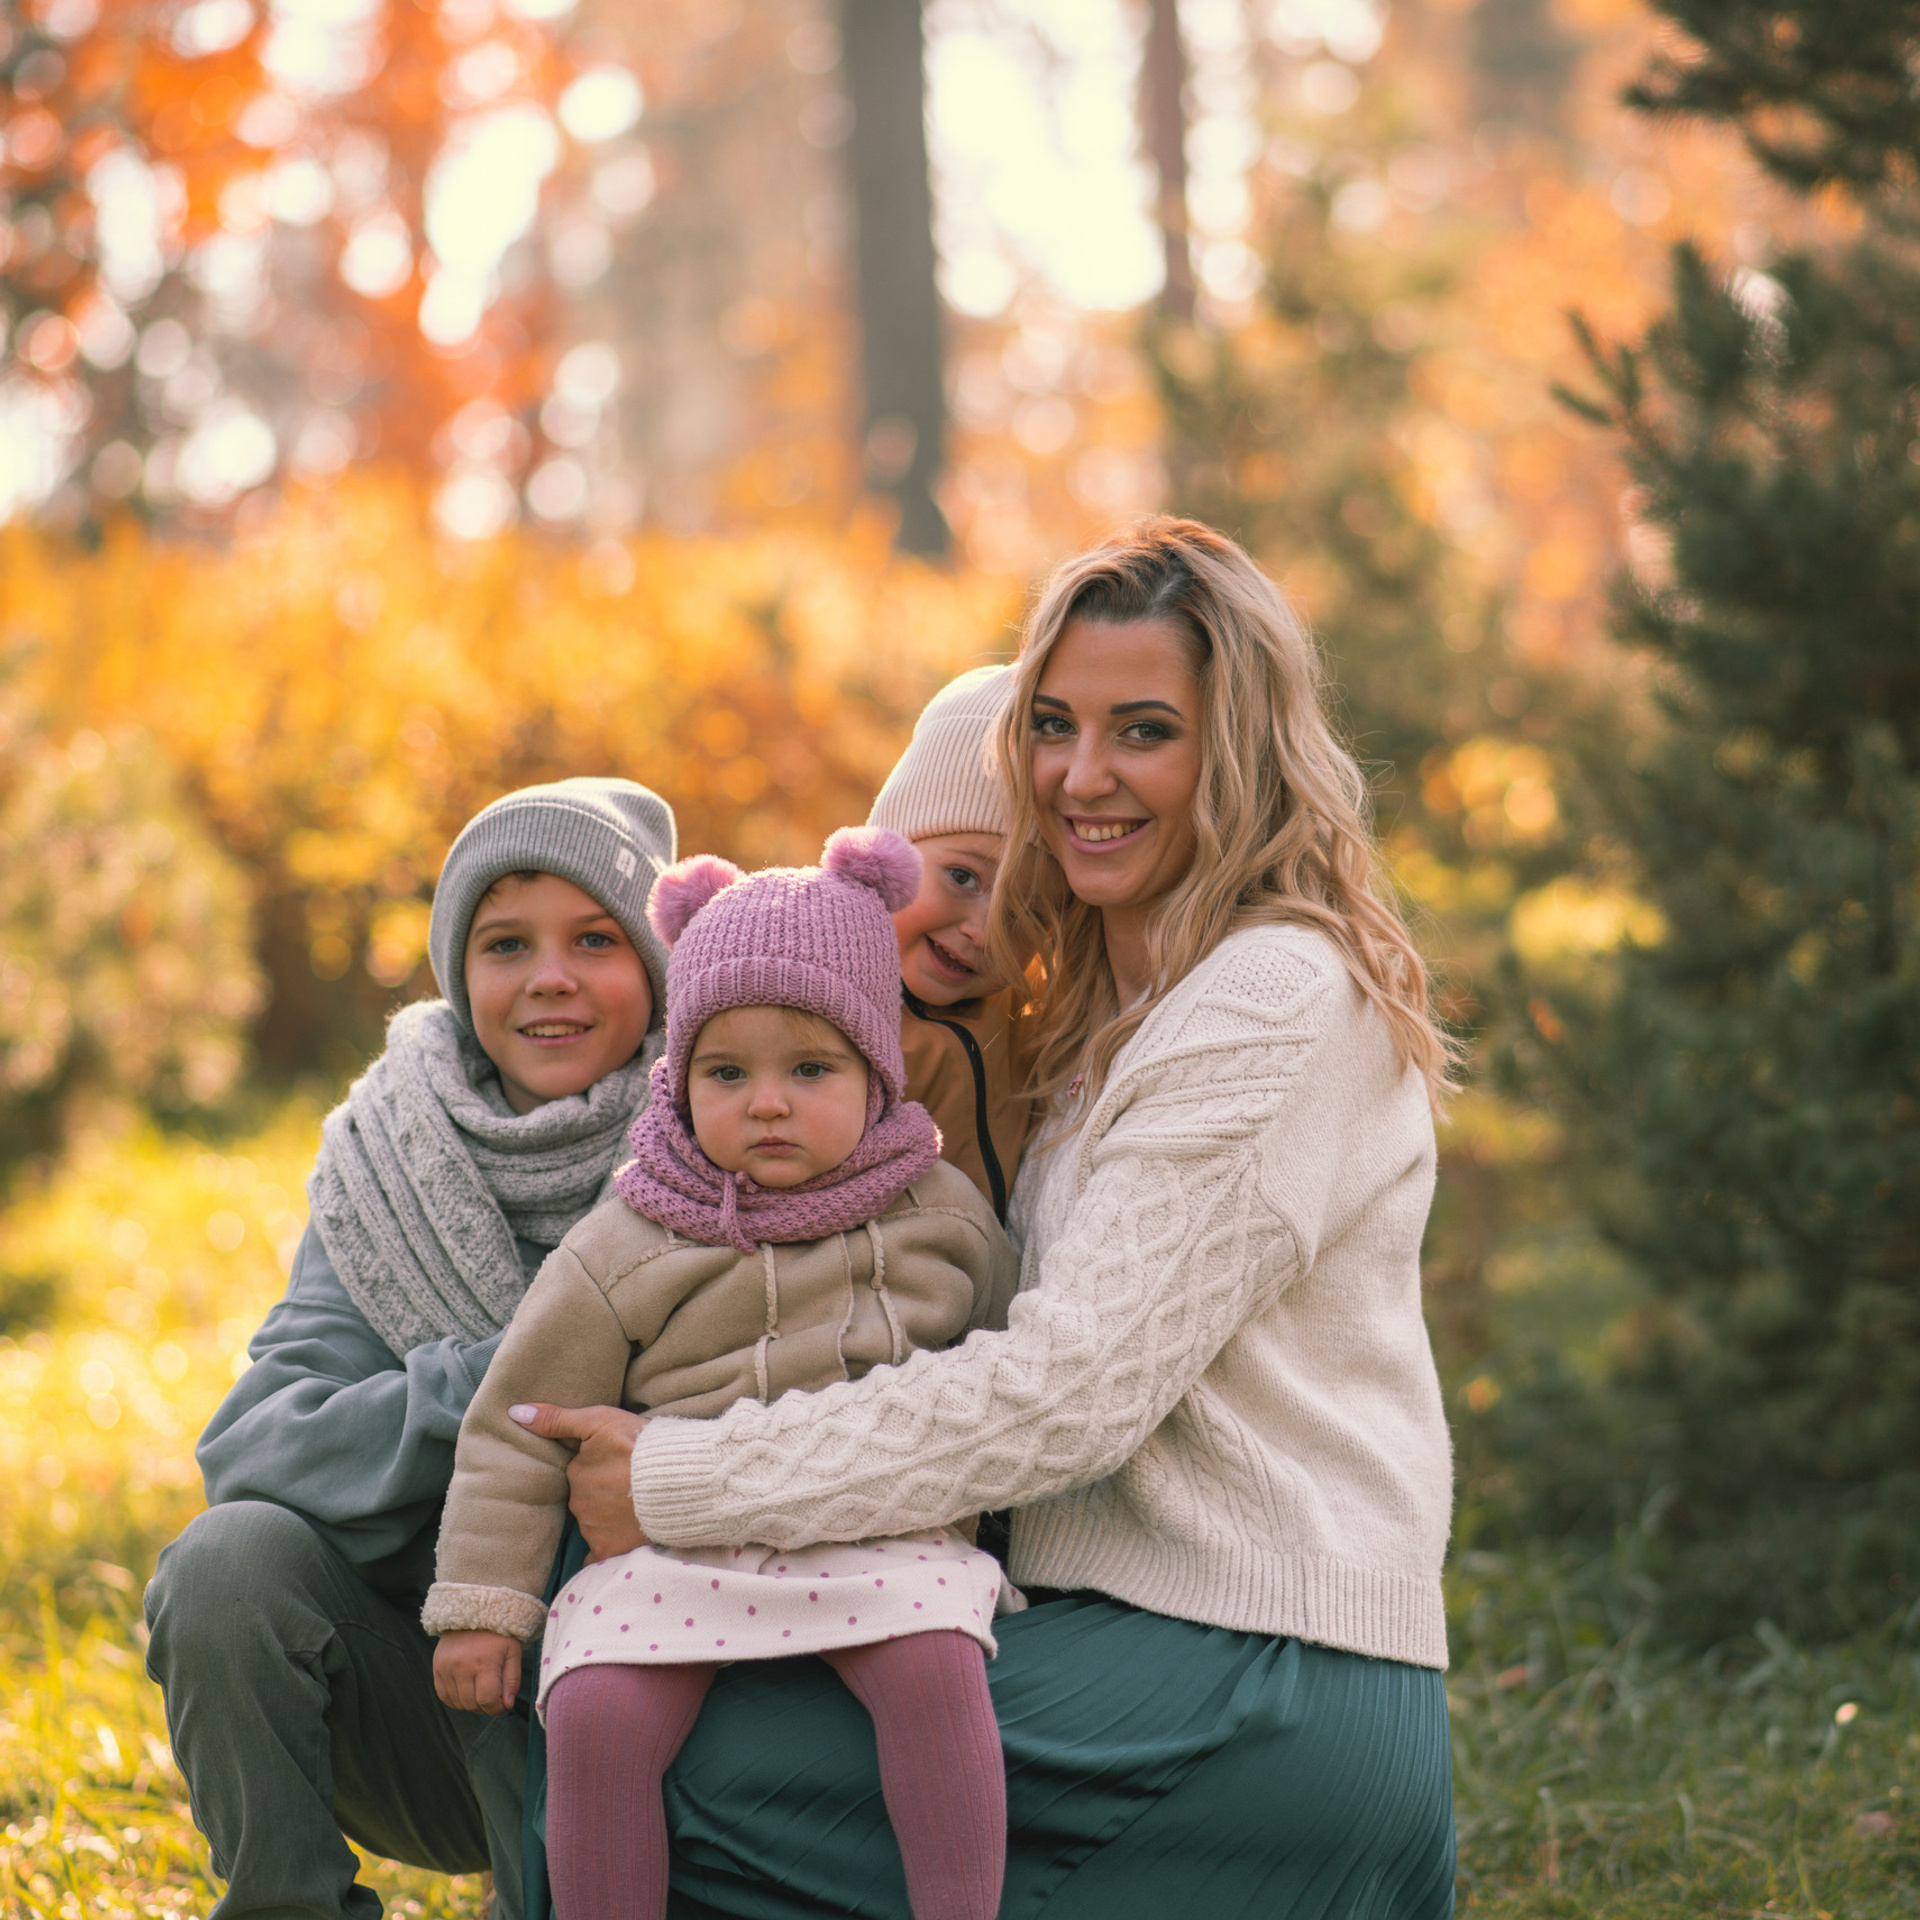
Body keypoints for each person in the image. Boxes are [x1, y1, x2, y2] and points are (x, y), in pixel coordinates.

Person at [515, 520, 1461, 1918]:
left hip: (1261, 1670)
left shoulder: (1268, 998)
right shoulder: (1108, 1023)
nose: (1085, 776)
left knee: (668, 1776)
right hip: (1139, 1638)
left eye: (1145, 731)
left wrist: (681, 1480)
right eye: (1057, 728)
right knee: (617, 1717)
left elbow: (1068, 1394)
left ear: (1241, 751)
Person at [423, 827, 1018, 1920]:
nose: (769, 1103)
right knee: (598, 1712)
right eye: (727, 1071)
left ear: (877, 1071)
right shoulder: (636, 1231)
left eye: (812, 1069)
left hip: (874, 1526)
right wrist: (486, 1602)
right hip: (672, 1534)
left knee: (938, 1673)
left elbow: (1011, 1375)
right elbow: (522, 1417)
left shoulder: (939, 1217)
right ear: (680, 1074)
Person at [143, 778, 678, 1920]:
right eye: (504, 942)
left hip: (669, 1702)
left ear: (659, 963)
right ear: (457, 969)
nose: (549, 976)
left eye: (596, 938)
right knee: (225, 1566)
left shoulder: (727, 1129)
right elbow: (258, 1447)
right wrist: (513, 1381)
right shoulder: (391, 1162)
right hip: (422, 1695)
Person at [870, 665, 1035, 1220]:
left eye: (1025, 911)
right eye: (963, 877)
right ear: (889, 854)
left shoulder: (1028, 1017)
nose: (984, 932)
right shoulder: (821, 997)